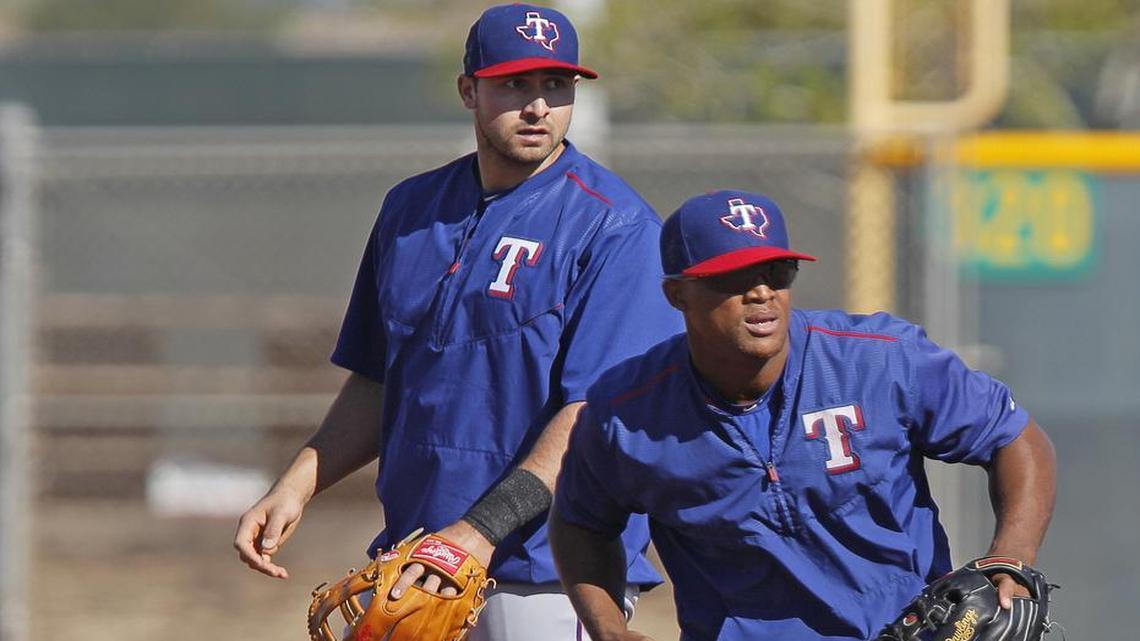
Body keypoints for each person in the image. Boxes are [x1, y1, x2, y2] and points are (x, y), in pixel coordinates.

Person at [233, 4, 684, 640]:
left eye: (556, 86)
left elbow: (591, 416)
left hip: (551, 569)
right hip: (417, 552)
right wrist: (298, 483)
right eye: (514, 84)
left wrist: (476, 534)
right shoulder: (411, 209)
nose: (538, 107)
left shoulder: (615, 228)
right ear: (469, 89)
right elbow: (379, 374)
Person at [549, 190, 1057, 641]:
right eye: (734, 276)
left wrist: (1009, 556)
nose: (762, 292)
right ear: (677, 294)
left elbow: (1013, 437)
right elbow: (580, 521)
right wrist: (608, 628)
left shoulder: (879, 359)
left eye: (776, 272)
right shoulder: (628, 410)